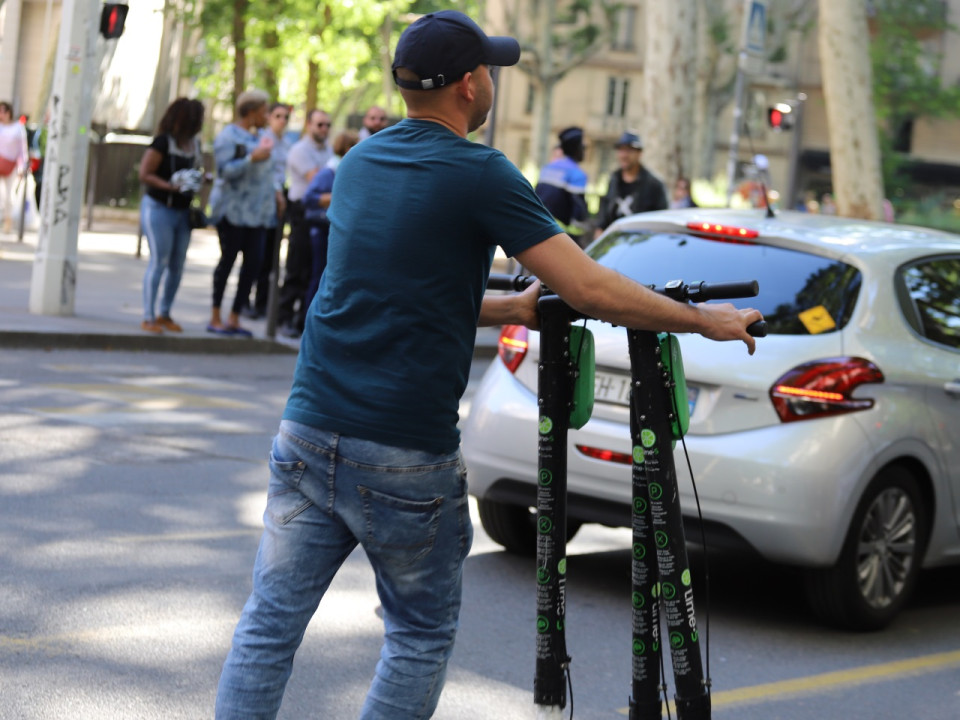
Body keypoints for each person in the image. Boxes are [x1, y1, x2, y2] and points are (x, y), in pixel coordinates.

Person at [214, 10, 761, 720]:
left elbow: (386, 294)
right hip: (403, 454)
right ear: (470, 87)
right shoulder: (481, 172)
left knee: (267, 626)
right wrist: (702, 321)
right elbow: (588, 286)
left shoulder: (360, 163)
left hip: (309, 432)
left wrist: (506, 311)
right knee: (417, 636)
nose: (493, 80)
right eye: (489, 71)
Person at [207, 89, 281, 337]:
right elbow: (224, 171)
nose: (267, 116)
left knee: (253, 265)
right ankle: (215, 315)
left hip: (259, 215)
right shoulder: (228, 136)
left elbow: (271, 172)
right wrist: (251, 158)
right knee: (227, 262)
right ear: (251, 112)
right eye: (264, 111)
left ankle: (235, 316)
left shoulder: (264, 137)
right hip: (233, 213)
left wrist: (277, 193)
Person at [137, 98, 206, 334]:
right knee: (159, 261)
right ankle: (148, 315)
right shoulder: (163, 143)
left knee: (177, 264)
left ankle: (164, 312)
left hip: (182, 211)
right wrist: (170, 186)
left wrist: (199, 180)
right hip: (159, 208)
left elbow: (197, 171)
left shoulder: (194, 144)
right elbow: (145, 173)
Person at [277, 109, 333, 337]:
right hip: (301, 213)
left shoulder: (328, 150)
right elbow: (316, 178)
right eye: (320, 124)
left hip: (322, 216)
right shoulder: (300, 150)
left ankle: (303, 320)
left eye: (327, 125)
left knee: (314, 271)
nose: (324, 129)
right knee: (296, 268)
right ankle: (284, 318)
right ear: (309, 125)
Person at [301, 129, 359, 312]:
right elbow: (309, 198)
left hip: (336, 232)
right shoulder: (330, 170)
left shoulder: (350, 169)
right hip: (321, 231)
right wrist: (337, 196)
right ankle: (305, 320)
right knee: (318, 276)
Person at [243, 102, 291, 320]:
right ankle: (244, 301)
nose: (282, 120)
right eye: (278, 116)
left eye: (286, 117)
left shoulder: (287, 143)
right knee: (256, 255)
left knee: (271, 255)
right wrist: (275, 192)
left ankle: (262, 303)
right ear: (270, 117)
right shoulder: (263, 139)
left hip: (278, 202)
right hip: (262, 202)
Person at [594, 130, 667, 239]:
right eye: (621, 150)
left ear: (639, 153)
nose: (624, 155)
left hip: (639, 244)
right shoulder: (614, 179)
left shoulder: (654, 185)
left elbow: (660, 223)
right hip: (614, 243)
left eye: (629, 150)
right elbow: (604, 216)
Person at [535, 126, 589, 244]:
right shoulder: (577, 174)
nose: (585, 151)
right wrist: (577, 239)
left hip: (536, 229)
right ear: (576, 148)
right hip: (558, 236)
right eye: (583, 147)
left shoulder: (547, 168)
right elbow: (578, 211)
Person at [0, 101, 28, 234]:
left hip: (11, 166)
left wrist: (22, 167)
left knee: (9, 195)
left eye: (3, 111)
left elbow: (22, 150)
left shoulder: (18, 127)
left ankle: (8, 220)